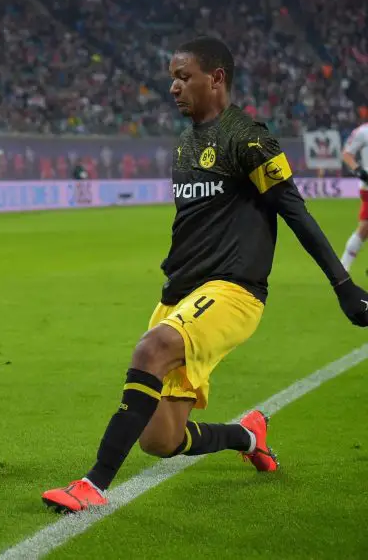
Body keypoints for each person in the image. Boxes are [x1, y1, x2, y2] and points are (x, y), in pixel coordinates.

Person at [42, 37, 368, 513]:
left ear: (216, 78)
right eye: (172, 78)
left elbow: (295, 211)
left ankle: (92, 483)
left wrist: (343, 285)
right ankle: (246, 435)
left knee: (151, 350)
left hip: (233, 290)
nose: (173, 87)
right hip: (180, 293)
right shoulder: (185, 145)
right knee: (160, 439)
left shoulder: (248, 138)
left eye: (183, 77)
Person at [338, 122, 368, 272]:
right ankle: (342, 268)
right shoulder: (363, 131)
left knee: (364, 228)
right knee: (364, 228)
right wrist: (359, 171)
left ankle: (342, 268)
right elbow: (347, 153)